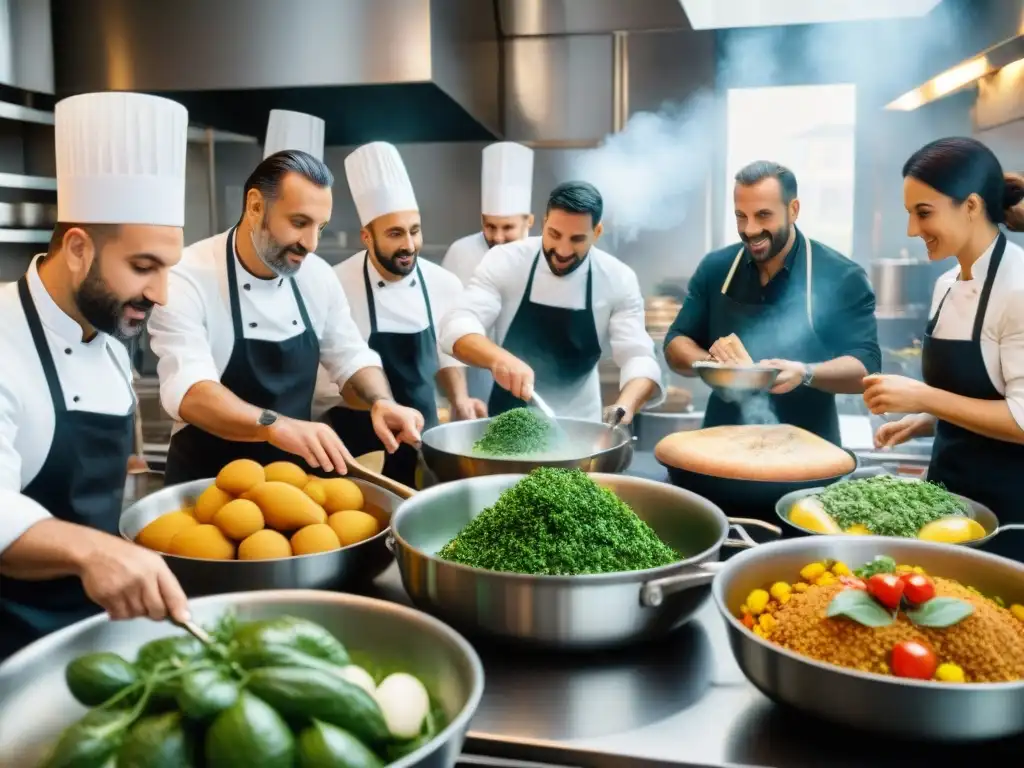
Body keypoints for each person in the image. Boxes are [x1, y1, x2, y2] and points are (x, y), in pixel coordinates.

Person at [0, 91, 191, 659]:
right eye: (142, 267)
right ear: (78, 248)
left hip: (98, 637)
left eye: (167, 268)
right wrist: (94, 552)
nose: (160, 293)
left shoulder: (106, 332)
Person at [147, 114, 423, 486]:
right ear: (256, 206)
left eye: (319, 228)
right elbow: (190, 392)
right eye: (298, 222)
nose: (310, 244)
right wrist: (275, 426)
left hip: (292, 490)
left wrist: (380, 401)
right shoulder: (188, 276)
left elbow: (349, 356)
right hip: (206, 492)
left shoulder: (317, 276)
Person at [865, 137, 1024, 561]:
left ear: (971, 206)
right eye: (909, 214)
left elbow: (1021, 420)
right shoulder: (945, 285)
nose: (912, 230)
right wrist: (924, 419)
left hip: (1008, 519)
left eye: (923, 213)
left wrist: (923, 397)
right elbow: (976, 397)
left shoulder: (1019, 288)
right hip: (945, 505)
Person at [664, 161, 880, 444]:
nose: (750, 229)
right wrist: (714, 366)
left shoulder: (840, 276)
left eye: (763, 215)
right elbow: (675, 343)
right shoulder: (716, 268)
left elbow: (866, 366)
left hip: (809, 451)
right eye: (741, 216)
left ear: (793, 210)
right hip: (721, 448)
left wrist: (806, 373)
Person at [314, 142, 484, 486]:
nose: (409, 244)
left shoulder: (443, 284)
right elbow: (330, 374)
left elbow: (446, 351)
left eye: (415, 230)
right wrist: (380, 403)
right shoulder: (332, 283)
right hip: (355, 446)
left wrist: (460, 399)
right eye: (395, 233)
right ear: (366, 236)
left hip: (423, 438)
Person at [438, 180, 663, 423]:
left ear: (596, 233)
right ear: (544, 224)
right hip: (505, 423)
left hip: (580, 427)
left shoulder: (618, 279)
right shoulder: (506, 261)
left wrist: (625, 406)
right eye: (554, 235)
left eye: (577, 239)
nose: (563, 251)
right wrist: (498, 358)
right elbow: (458, 324)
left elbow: (638, 356)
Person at [441, 142, 536, 404]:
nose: (497, 236)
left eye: (508, 227)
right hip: (476, 384)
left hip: (535, 379)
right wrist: (459, 397)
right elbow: (446, 328)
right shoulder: (461, 253)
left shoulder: (545, 256)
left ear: (529, 221)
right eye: (489, 226)